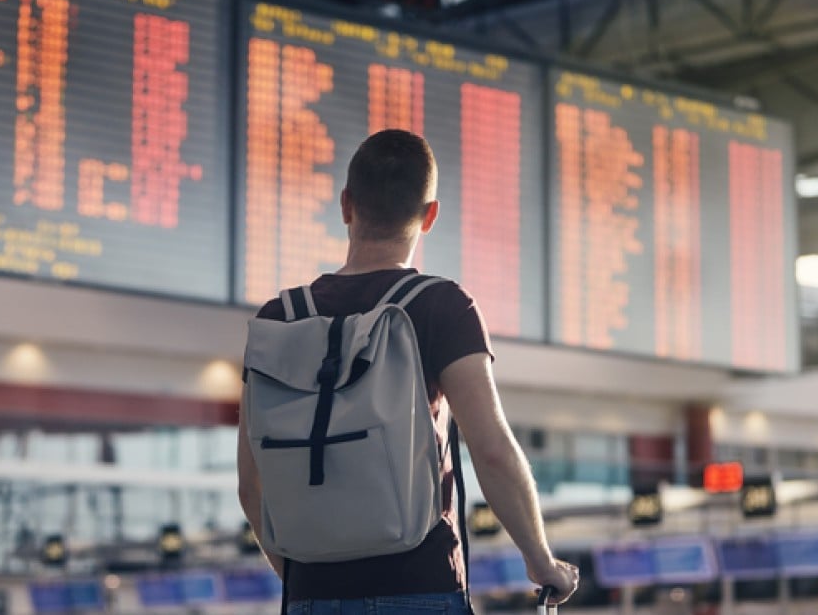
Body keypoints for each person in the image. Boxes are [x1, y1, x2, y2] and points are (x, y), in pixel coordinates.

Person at [238, 129, 578, 613]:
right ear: (430, 215)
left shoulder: (279, 318)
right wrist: (542, 563)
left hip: (312, 592)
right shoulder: (442, 307)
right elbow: (492, 449)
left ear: (345, 205)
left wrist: (304, 579)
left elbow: (251, 485)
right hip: (420, 582)